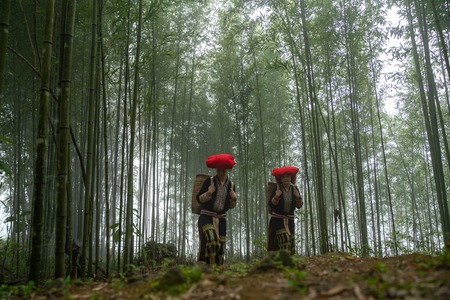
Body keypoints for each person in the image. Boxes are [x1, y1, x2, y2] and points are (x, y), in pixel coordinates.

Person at [196, 153, 237, 266]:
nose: (221, 172)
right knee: (212, 240)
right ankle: (209, 268)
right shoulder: (209, 181)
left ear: (227, 170)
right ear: (216, 169)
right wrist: (208, 193)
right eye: (219, 170)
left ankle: (218, 271)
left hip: (221, 220)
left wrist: (233, 199)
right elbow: (198, 199)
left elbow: (230, 207)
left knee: (220, 246)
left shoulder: (231, 185)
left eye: (223, 170)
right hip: (206, 217)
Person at [267, 166, 303, 254]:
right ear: (280, 179)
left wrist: (298, 197)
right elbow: (270, 204)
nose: (285, 178)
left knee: (291, 243)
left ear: (291, 177)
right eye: (283, 177)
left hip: (290, 220)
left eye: (287, 176)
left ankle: (290, 263)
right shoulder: (276, 189)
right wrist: (276, 196)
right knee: (285, 240)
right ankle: (284, 262)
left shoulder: (294, 189)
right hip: (278, 220)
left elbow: (299, 206)